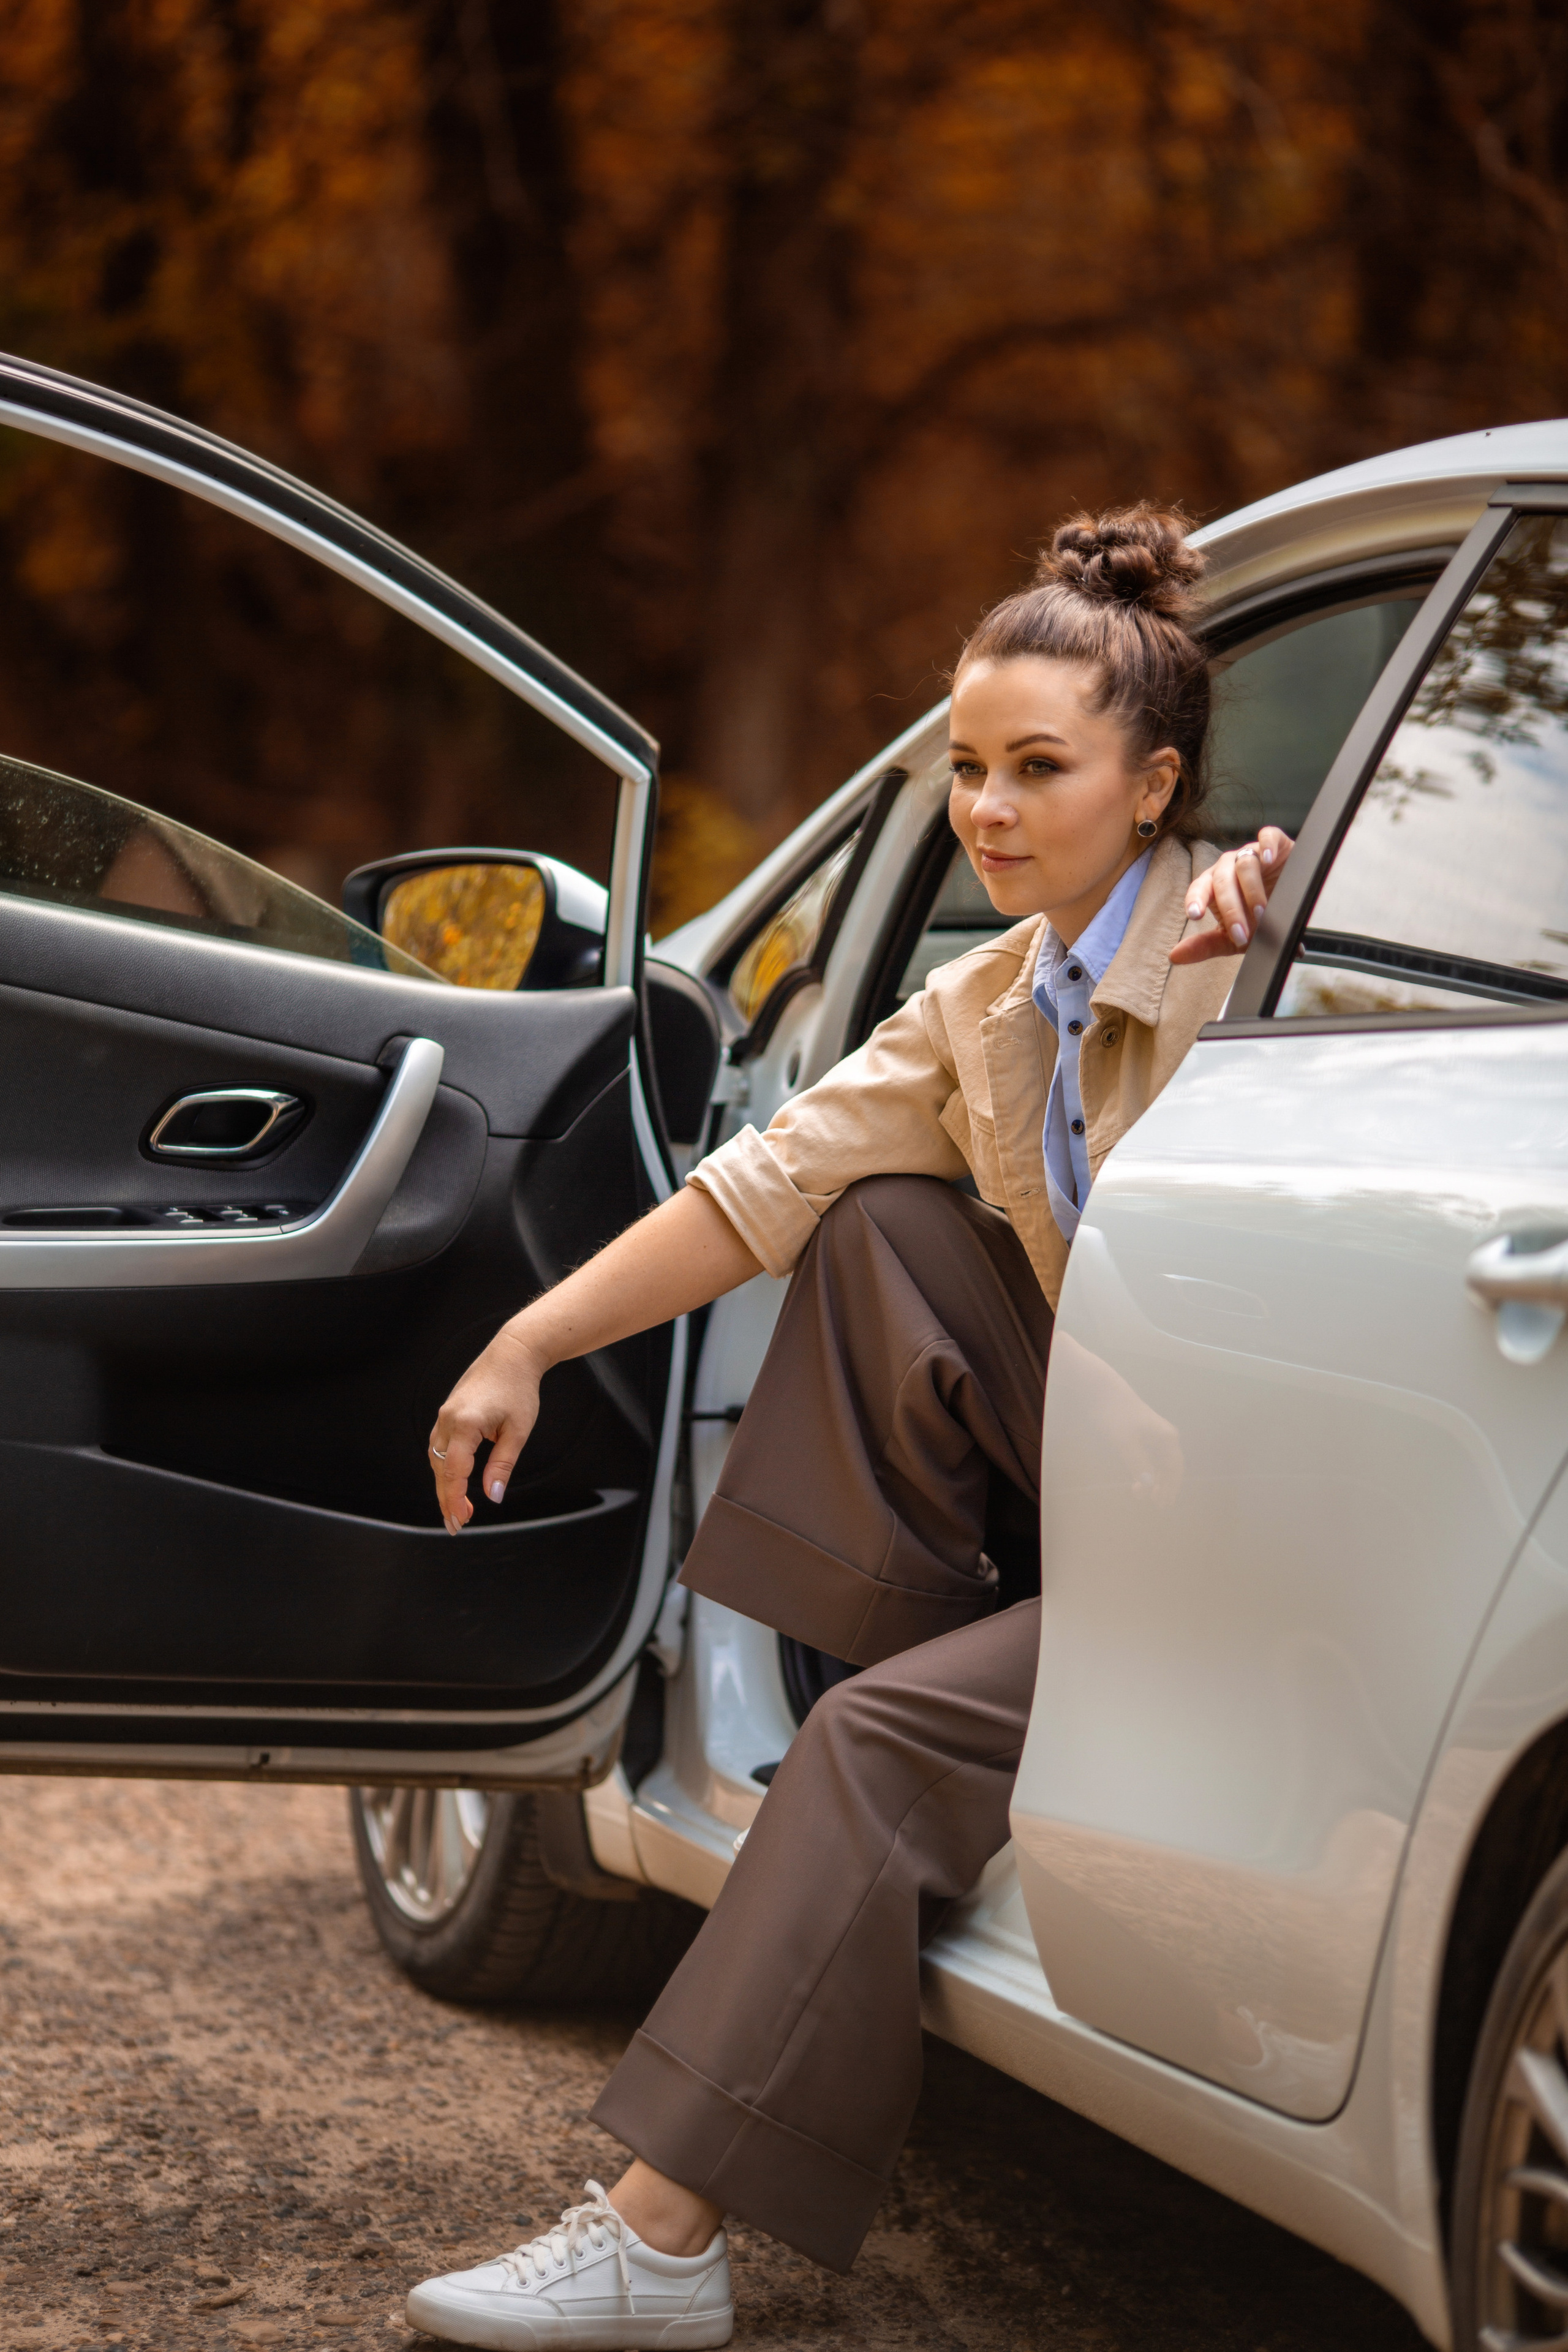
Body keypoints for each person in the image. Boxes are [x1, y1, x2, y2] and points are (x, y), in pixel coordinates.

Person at [405, 506, 1294, 2352]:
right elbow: (757, 1187)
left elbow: (1387, 1019)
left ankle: (663, 2239)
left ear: (1158, 792)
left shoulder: (1249, 949)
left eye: (1037, 768)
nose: (985, 806)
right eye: (966, 766)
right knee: (881, 1218)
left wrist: (1286, 909)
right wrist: (530, 1339)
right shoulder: (982, 1002)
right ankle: (870, 1722)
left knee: (880, 1745)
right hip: (1109, 1490)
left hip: (1261, 1540)